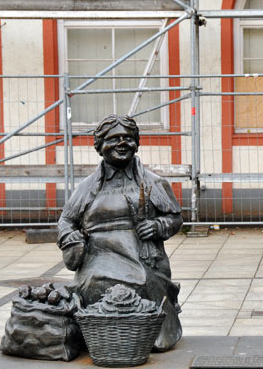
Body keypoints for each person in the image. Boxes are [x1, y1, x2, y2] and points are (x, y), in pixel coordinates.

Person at [57, 114, 183, 351]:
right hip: (97, 258)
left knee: (143, 282)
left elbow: (175, 218)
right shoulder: (87, 188)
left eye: (127, 138)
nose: (122, 143)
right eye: (114, 139)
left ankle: (144, 335)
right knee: (94, 283)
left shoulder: (153, 183)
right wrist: (70, 237)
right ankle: (102, 336)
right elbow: (66, 221)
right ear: (100, 146)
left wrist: (158, 226)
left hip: (142, 257)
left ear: (136, 143)